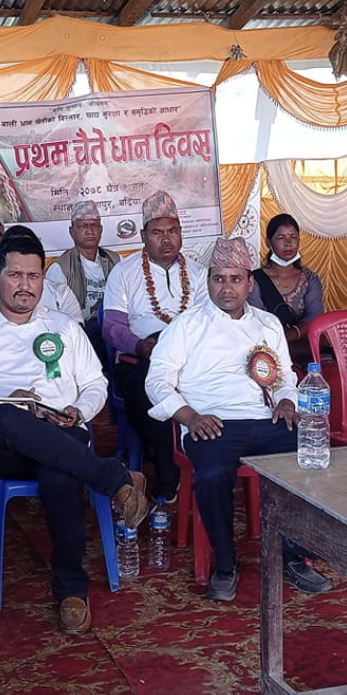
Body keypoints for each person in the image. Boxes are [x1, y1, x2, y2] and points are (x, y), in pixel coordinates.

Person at [0, 229, 149, 635]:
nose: (25, 285)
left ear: (42, 280)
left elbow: (95, 385)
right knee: (7, 417)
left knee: (59, 473)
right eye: (15, 275)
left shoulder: (65, 328)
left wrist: (78, 410)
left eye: (33, 276)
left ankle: (72, 591)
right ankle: (114, 478)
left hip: (61, 434)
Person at [146, 238, 331, 601]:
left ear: (250, 284)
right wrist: (190, 416)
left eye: (235, 279)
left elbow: (284, 377)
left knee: (313, 456)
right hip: (211, 423)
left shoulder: (267, 324)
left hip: (265, 419)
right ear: (208, 281)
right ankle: (226, 563)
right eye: (218, 279)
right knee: (212, 475)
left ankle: (294, 555)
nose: (226, 288)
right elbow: (157, 381)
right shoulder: (186, 325)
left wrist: (287, 401)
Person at [101, 191, 209, 500]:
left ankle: (208, 464)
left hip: (189, 359)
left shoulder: (200, 274)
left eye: (172, 231)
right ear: (142, 235)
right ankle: (168, 474)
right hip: (141, 358)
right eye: (157, 232)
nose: (166, 239)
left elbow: (209, 323)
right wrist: (140, 346)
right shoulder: (124, 273)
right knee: (150, 393)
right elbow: (112, 327)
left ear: (181, 233)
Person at [45, 199, 120, 369]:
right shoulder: (60, 268)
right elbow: (56, 317)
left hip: (115, 328)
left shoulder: (117, 260)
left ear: (101, 229)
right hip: (82, 334)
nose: (90, 231)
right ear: (71, 231)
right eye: (83, 226)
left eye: (94, 225)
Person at [248, 212, 324, 367]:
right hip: (268, 346)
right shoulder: (255, 280)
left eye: (293, 237)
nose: (288, 243)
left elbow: (315, 315)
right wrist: (279, 338)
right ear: (269, 242)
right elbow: (256, 317)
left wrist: (292, 334)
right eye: (281, 238)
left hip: (303, 348)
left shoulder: (310, 278)